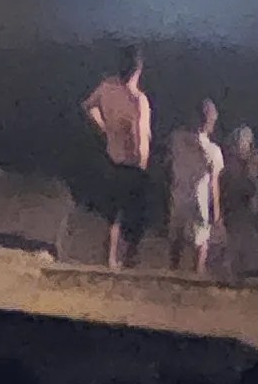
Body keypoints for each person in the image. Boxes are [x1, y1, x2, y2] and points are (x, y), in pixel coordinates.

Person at [81, 44, 151, 270]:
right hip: (134, 164)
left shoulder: (107, 88)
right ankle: (129, 259)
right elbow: (140, 136)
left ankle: (110, 259)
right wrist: (143, 160)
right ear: (138, 69)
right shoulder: (138, 99)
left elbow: (88, 106)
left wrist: (104, 127)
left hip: (112, 158)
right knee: (136, 217)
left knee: (114, 215)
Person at [165, 95, 224, 275]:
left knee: (177, 240)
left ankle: (173, 273)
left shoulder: (177, 139)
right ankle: (198, 276)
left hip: (179, 196)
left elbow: (168, 165)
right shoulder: (213, 150)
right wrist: (217, 212)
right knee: (201, 242)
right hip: (199, 201)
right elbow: (214, 183)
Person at [224, 120, 258, 222]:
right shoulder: (229, 159)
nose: (243, 144)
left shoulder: (256, 158)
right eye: (241, 141)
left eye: (245, 141)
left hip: (252, 196)